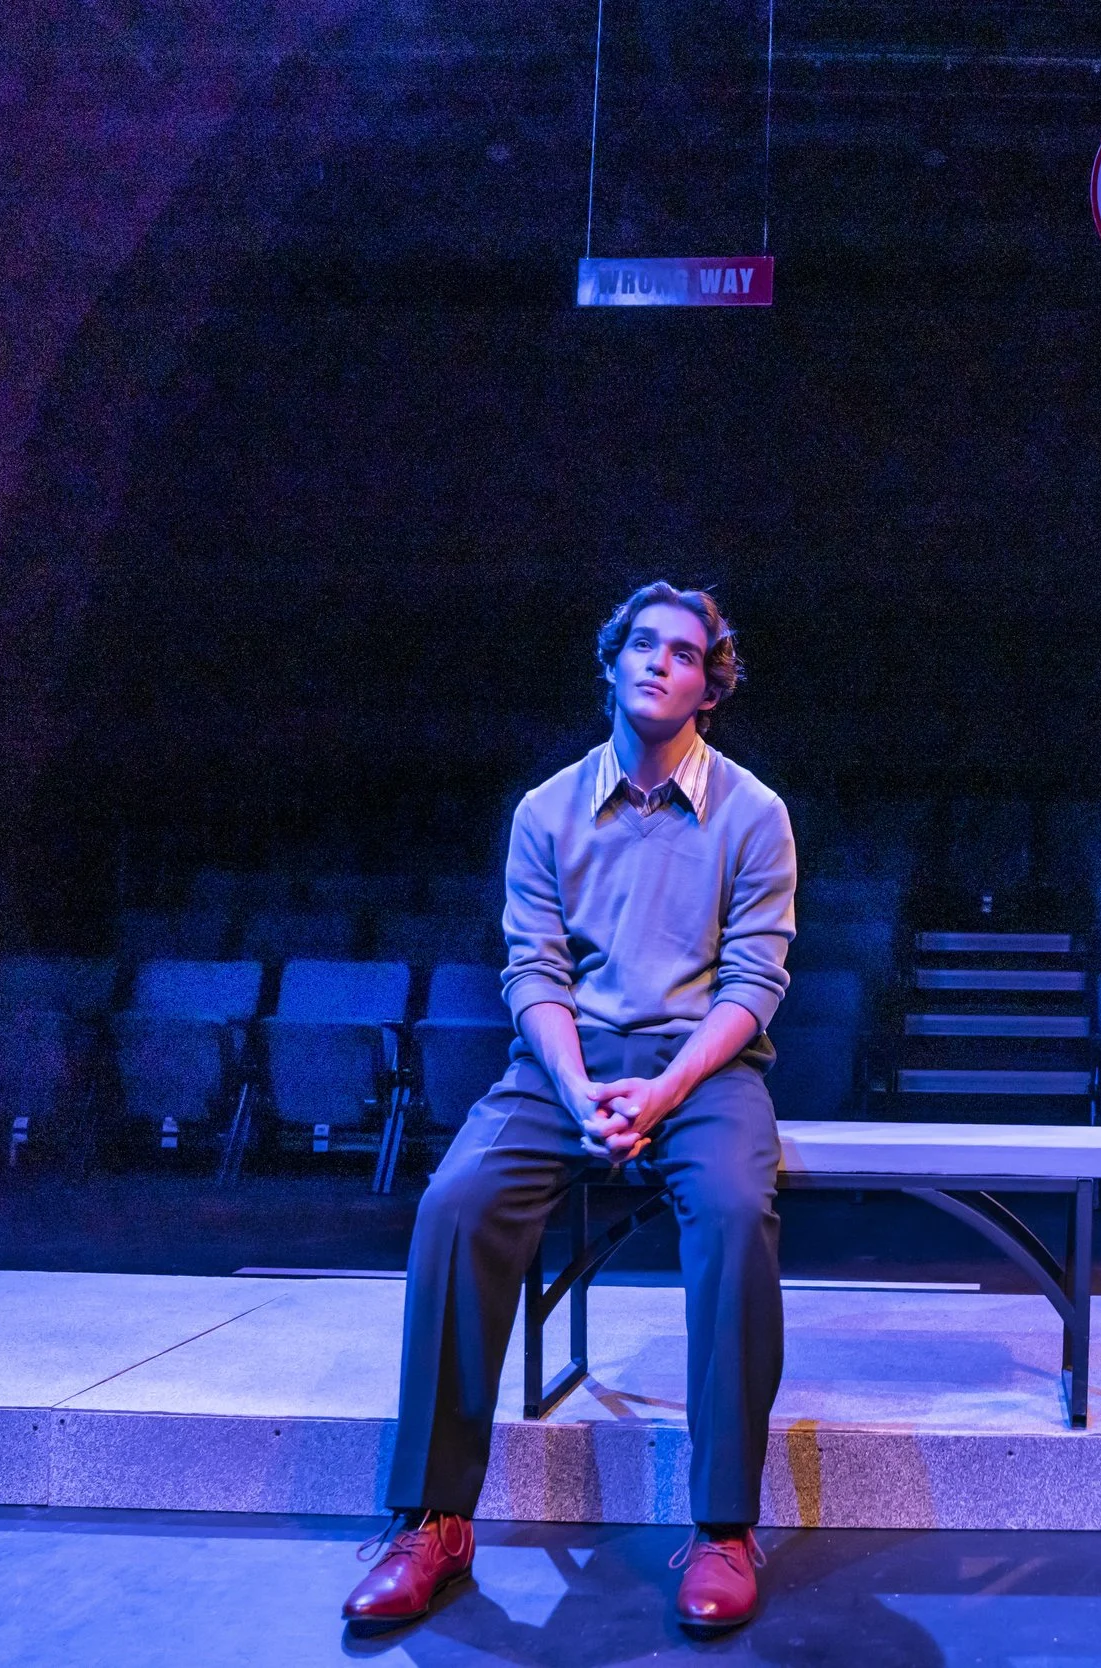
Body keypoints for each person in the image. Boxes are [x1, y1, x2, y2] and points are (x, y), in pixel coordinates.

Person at [343, 582, 796, 1636]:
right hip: (564, 1067)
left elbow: (754, 983)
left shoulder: (753, 813)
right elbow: (532, 972)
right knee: (456, 1203)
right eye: (642, 645)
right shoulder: (546, 811)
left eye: (684, 655)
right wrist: (577, 1086)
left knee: (734, 1216)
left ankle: (724, 1524)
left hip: (704, 1072)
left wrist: (667, 1088)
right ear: (610, 663)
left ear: (708, 687)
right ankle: (434, 1519)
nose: (658, 664)